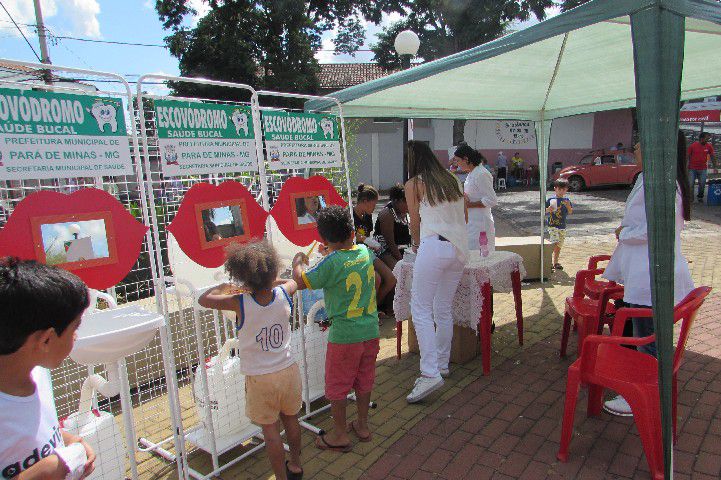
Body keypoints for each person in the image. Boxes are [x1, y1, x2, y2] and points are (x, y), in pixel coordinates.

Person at [602, 131, 694, 416]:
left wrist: (623, 232)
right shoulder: (651, 179)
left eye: (640, 145)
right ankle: (647, 391)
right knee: (648, 336)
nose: (636, 149)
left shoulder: (661, 183)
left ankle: (641, 396)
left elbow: (655, 228)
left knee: (648, 342)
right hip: (645, 272)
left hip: (650, 276)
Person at [198, 242, 304, 480]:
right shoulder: (285, 292)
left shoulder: (239, 302)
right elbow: (296, 280)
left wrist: (227, 287)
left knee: (270, 431)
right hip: (288, 369)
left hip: (259, 378)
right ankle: (296, 464)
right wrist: (294, 263)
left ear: (243, 278)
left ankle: (281, 477)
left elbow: (205, 299)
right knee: (291, 420)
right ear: (272, 271)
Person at [293, 206, 384, 452]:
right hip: (370, 330)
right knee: (364, 380)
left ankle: (340, 434)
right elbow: (376, 280)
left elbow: (302, 281)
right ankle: (363, 426)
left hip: (344, 336)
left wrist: (298, 262)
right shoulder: (364, 252)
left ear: (324, 239)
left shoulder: (330, 261)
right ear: (352, 232)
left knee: (337, 385)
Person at [0, 258, 96, 480]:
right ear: (45, 340)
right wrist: (48, 469)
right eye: (75, 327)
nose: (76, 336)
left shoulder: (38, 372)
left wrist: (68, 441)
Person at [404, 141, 469, 403]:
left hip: (434, 244)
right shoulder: (451, 179)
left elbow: (414, 220)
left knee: (420, 309)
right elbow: (463, 215)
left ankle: (430, 373)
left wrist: (417, 246)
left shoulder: (414, 184)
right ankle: (441, 365)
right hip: (458, 248)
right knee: (442, 309)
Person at [453, 144, 498, 251]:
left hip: (480, 223)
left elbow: (491, 200)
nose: (458, 165)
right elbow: (474, 193)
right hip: (472, 221)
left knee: (480, 255)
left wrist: (469, 205)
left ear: (466, 159)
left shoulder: (481, 174)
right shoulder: (472, 173)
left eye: (458, 161)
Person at [374, 184, 412, 271]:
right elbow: (391, 244)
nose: (409, 206)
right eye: (407, 203)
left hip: (402, 249)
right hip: (385, 250)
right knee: (401, 271)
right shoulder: (387, 214)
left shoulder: (403, 212)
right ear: (399, 201)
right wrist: (402, 261)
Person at [546, 179, 573, 271]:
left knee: (559, 245)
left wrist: (568, 205)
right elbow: (544, 210)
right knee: (554, 242)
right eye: (559, 189)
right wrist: (548, 209)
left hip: (562, 226)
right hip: (552, 225)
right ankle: (548, 262)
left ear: (566, 190)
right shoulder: (551, 199)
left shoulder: (567, 200)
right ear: (555, 189)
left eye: (564, 190)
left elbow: (570, 212)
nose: (561, 191)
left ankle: (555, 262)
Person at [687, 132, 716, 202]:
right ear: (701, 138)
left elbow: (712, 156)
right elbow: (687, 156)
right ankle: (691, 198)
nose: (708, 140)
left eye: (709, 139)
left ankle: (700, 196)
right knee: (691, 184)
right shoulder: (692, 146)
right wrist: (685, 167)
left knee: (702, 184)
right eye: (707, 138)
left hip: (703, 168)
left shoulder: (709, 146)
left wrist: (715, 167)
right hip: (692, 168)